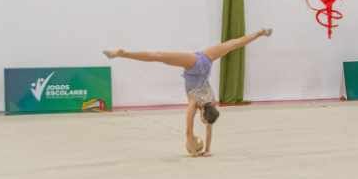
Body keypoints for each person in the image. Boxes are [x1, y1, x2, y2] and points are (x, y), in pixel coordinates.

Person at [103, 29, 273, 157]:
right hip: (194, 65)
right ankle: (122, 53)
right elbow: (188, 129)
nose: (204, 123)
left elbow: (209, 128)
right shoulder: (195, 103)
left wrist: (207, 150)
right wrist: (192, 145)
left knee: (233, 44)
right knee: (159, 56)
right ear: (203, 114)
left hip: (206, 60)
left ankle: (260, 32)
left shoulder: (212, 104)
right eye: (204, 120)